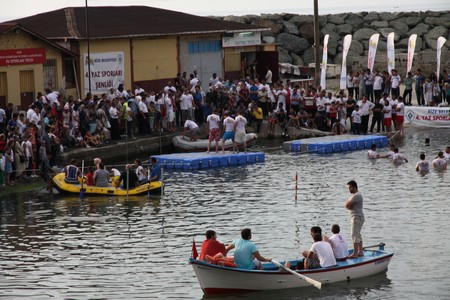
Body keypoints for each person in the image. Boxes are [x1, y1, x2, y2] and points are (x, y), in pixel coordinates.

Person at [345, 180, 365, 258]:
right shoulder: (355, 195)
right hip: (358, 217)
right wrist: (349, 205)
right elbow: (348, 205)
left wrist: (349, 205)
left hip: (357, 217)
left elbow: (347, 205)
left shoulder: (356, 195)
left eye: (350, 187)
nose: (349, 189)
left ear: (354, 187)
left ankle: (355, 253)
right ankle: (360, 251)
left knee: (354, 234)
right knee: (358, 234)